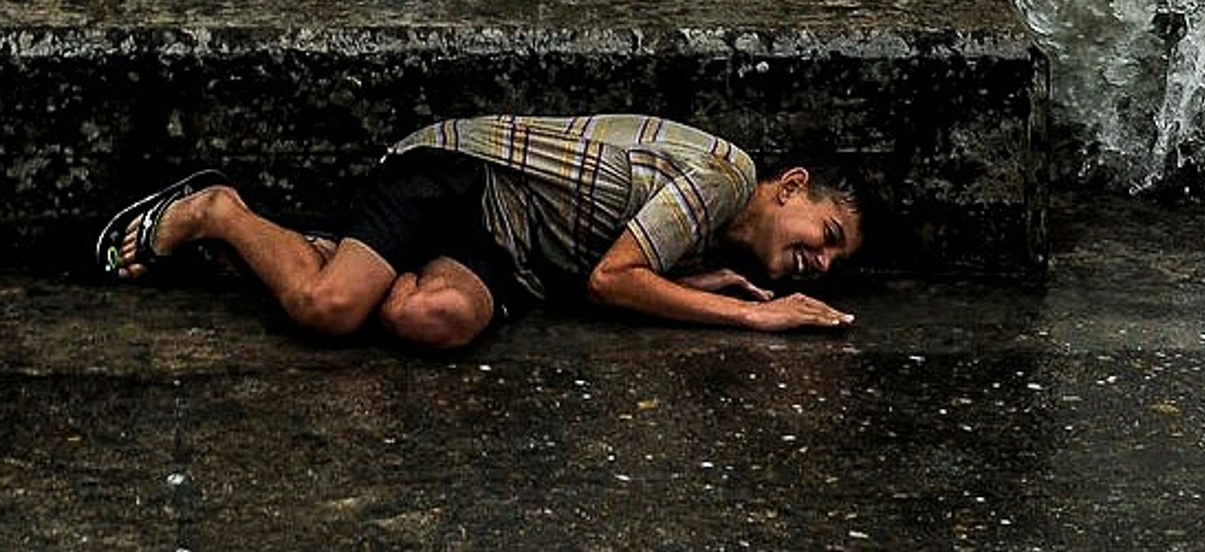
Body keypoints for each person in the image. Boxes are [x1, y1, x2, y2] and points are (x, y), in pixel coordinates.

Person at [94, 111, 865, 350]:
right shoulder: (729, 172)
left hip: (504, 246)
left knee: (431, 318)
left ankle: (326, 251)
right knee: (326, 310)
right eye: (828, 234)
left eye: (835, 260)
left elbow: (619, 265)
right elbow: (611, 281)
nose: (822, 262)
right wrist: (755, 317)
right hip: (463, 173)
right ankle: (219, 211)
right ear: (792, 186)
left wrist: (687, 281)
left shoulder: (711, 236)